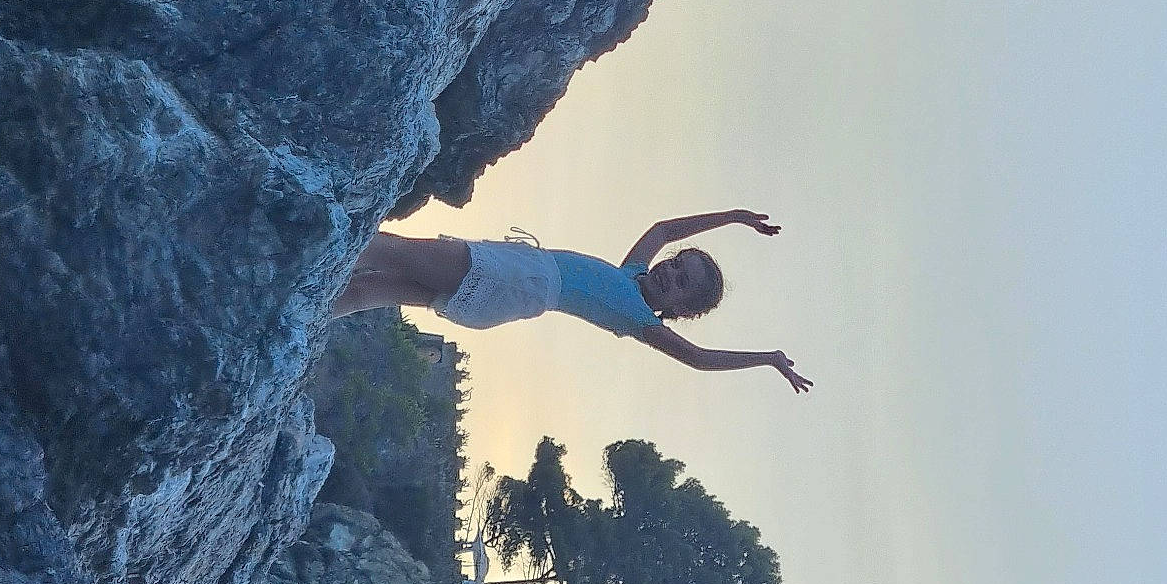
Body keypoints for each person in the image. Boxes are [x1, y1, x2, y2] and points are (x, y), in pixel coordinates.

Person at [331, 208, 813, 393]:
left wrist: (767, 359)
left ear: (682, 310)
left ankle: (320, 238)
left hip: (521, 279)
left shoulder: (639, 318)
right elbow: (664, 230)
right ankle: (314, 307)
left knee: (389, 250)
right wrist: (734, 217)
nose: (670, 272)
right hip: (516, 288)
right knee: (377, 288)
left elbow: (700, 359)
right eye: (676, 264)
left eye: (682, 282)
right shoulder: (630, 274)